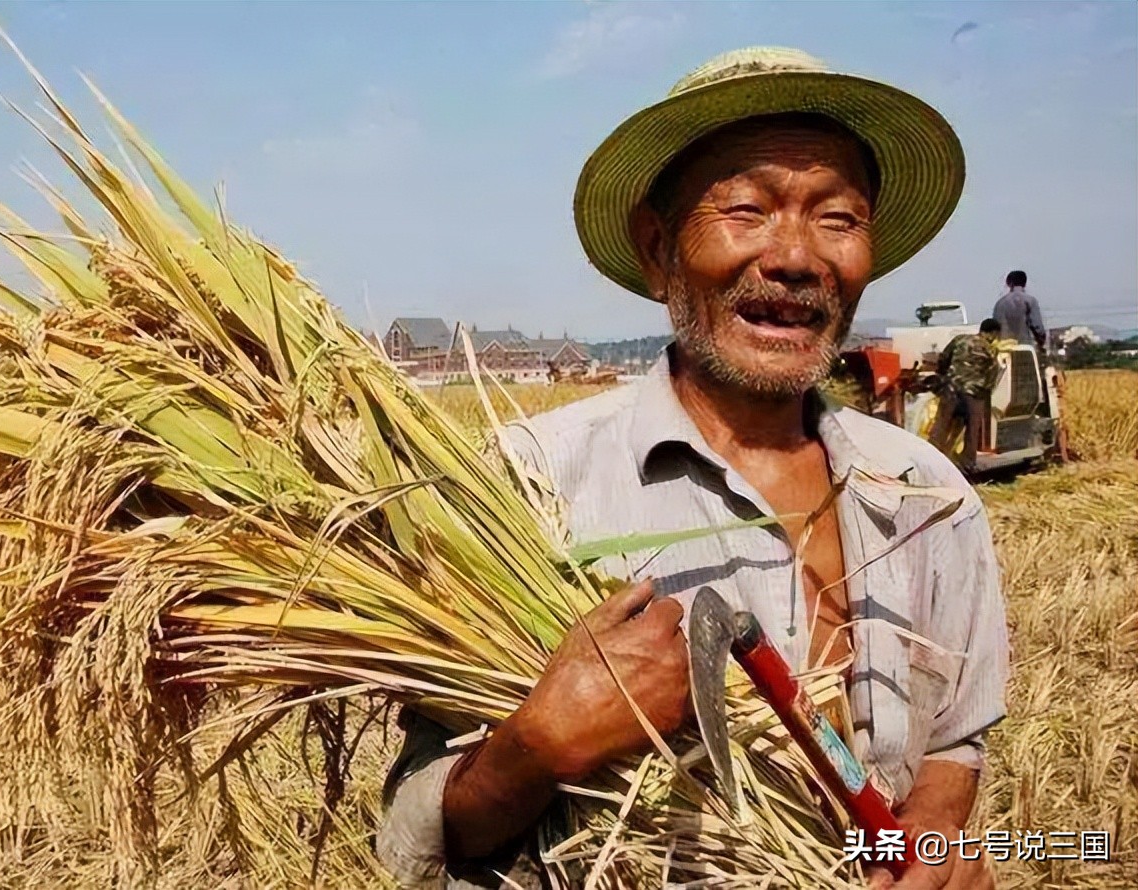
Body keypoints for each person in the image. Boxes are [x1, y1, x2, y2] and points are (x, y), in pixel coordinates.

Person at [377, 47, 1007, 890]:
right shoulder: (527, 486)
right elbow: (418, 828)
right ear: (656, 246)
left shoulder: (931, 497)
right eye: (746, 210)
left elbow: (954, 741)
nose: (793, 257)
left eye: (837, 218)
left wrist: (928, 833)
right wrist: (537, 744)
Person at [930, 319, 1003, 473]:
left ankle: (931, 459)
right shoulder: (990, 350)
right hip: (973, 394)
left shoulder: (960, 339)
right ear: (993, 333)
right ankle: (967, 464)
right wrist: (984, 393)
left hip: (951, 388)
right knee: (972, 428)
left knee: (941, 424)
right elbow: (993, 374)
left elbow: (944, 358)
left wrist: (942, 376)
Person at [992, 270, 1046, 349]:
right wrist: (1041, 343)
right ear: (1025, 283)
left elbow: (994, 329)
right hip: (1025, 348)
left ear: (1008, 283)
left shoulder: (1000, 303)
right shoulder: (1030, 301)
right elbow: (1038, 327)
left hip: (1004, 349)